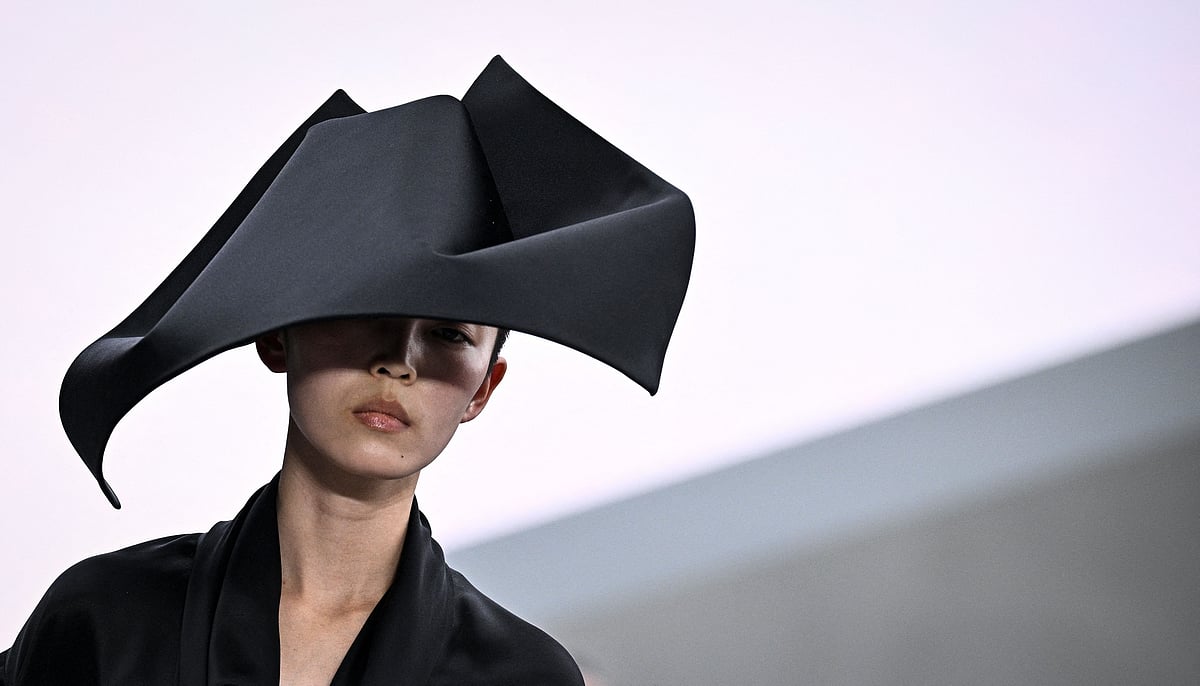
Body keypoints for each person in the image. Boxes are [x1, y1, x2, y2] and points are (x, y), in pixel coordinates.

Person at [1, 56, 693, 685]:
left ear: (483, 388)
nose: (399, 359)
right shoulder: (102, 617)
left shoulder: (520, 676)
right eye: (370, 309)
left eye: (449, 332)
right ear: (277, 334)